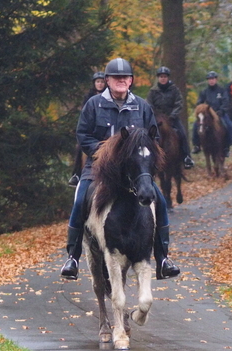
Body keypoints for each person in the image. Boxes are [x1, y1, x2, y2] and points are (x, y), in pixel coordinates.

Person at [60, 58, 181, 282]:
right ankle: (72, 258)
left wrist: (143, 159)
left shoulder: (142, 106)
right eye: (116, 78)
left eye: (125, 78)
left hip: (133, 173)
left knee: (161, 202)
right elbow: (83, 135)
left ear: (131, 80)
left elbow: (153, 137)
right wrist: (105, 151)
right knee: (78, 202)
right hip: (98, 168)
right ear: (107, 80)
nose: (121, 81)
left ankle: (163, 258)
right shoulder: (94, 105)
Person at [146, 66, 195, 169]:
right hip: (157, 119)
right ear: (158, 78)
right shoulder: (152, 91)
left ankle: (187, 157)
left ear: (167, 78)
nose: (163, 78)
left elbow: (179, 103)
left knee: (182, 134)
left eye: (165, 76)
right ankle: (147, 159)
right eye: (161, 76)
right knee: (147, 135)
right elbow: (149, 105)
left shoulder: (174, 90)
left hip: (172, 118)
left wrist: (172, 116)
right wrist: (155, 116)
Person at [68, 72, 106, 187]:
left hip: (105, 128)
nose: (100, 84)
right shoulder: (88, 98)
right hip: (92, 128)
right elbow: (85, 115)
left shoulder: (109, 97)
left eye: (102, 82)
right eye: (98, 82)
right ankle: (77, 174)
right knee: (80, 148)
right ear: (94, 83)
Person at [192, 71, 232, 158]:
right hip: (207, 116)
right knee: (196, 126)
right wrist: (201, 109)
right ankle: (197, 145)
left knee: (229, 125)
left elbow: (226, 102)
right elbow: (199, 102)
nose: (211, 81)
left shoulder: (222, 90)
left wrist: (221, 111)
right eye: (209, 79)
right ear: (208, 81)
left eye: (213, 79)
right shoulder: (204, 92)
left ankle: (226, 147)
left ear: (216, 79)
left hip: (220, 114)